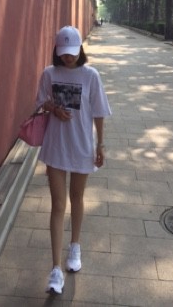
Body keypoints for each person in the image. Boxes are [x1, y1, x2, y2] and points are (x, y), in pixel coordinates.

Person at [35, 25, 112, 294]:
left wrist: (100, 144)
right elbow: (41, 102)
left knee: (77, 198)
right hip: (55, 147)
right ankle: (56, 269)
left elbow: (99, 112)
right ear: (57, 50)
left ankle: (75, 246)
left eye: (72, 52)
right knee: (57, 205)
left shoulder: (91, 75)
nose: (68, 57)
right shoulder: (49, 73)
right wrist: (54, 108)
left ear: (80, 49)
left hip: (81, 147)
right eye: (63, 52)